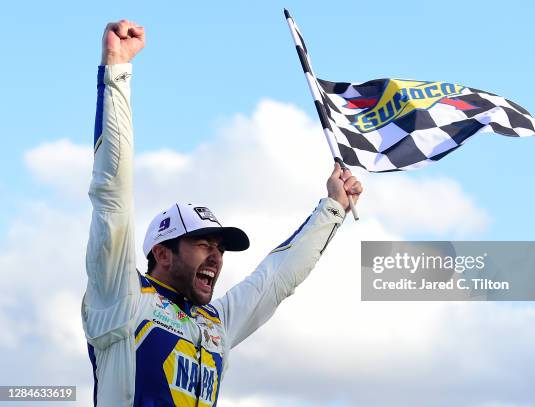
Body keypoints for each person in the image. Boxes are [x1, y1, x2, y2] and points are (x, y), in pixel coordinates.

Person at [82, 20, 363, 407]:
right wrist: (116, 72)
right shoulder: (122, 297)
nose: (216, 255)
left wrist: (333, 208)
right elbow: (111, 195)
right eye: (202, 243)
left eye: (219, 247)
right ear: (162, 253)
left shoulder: (217, 323)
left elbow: (275, 280)